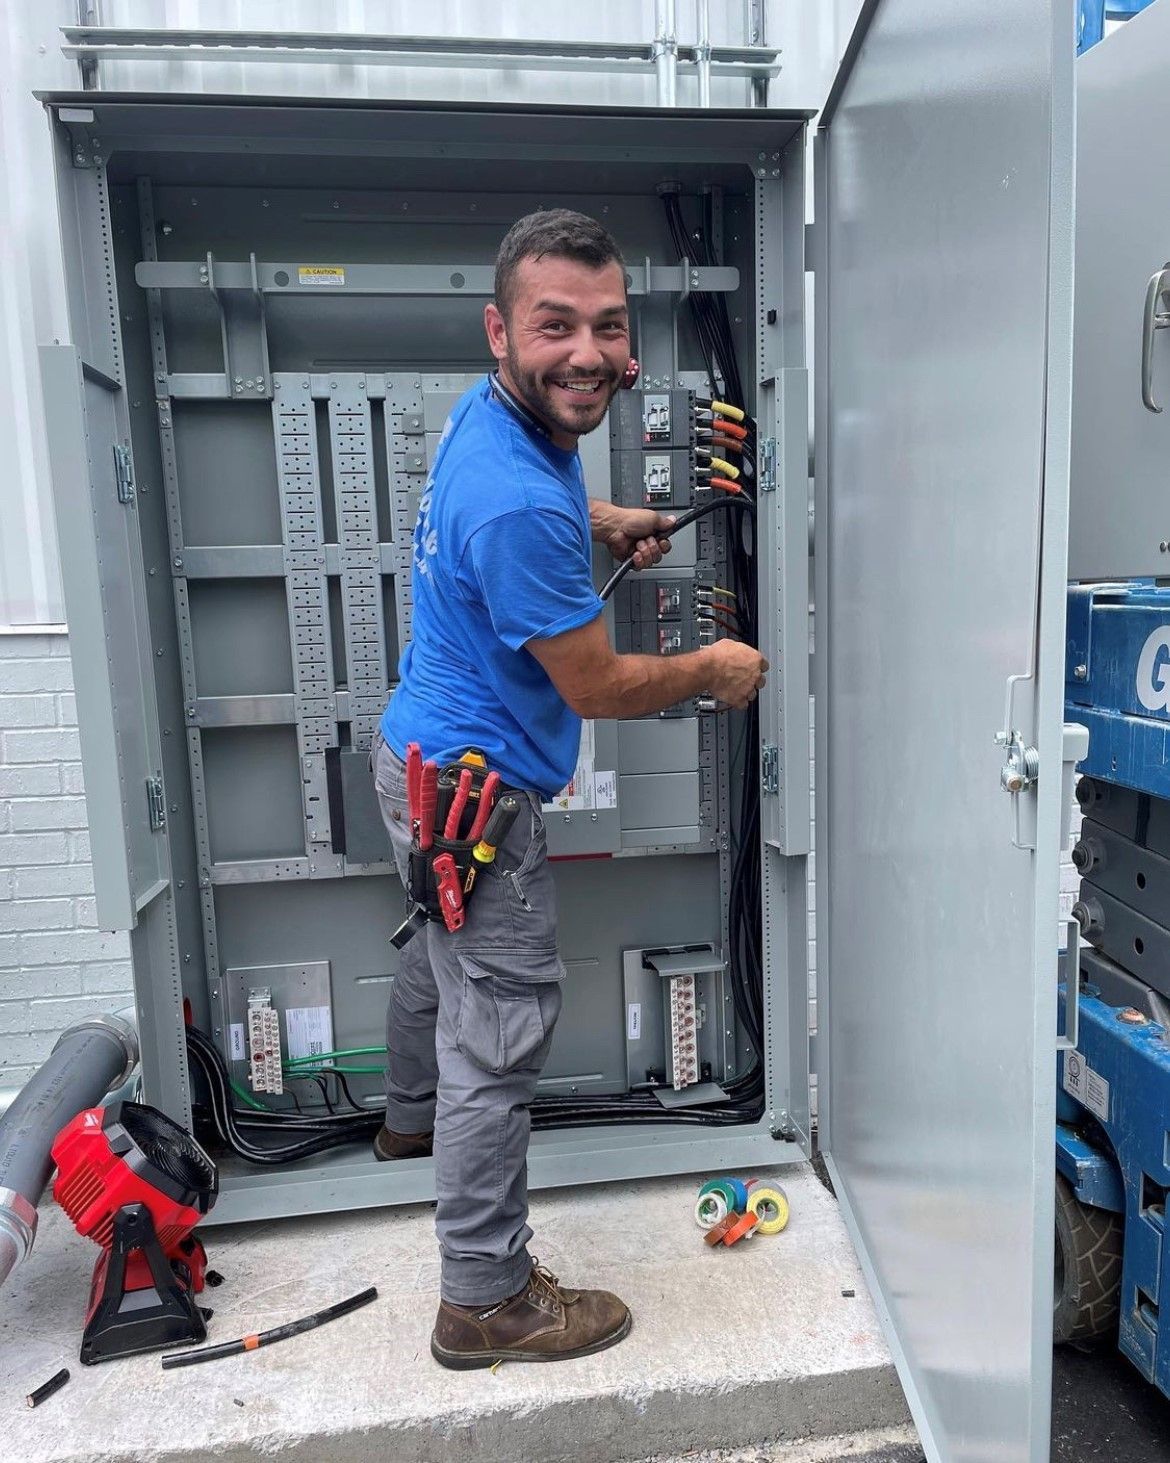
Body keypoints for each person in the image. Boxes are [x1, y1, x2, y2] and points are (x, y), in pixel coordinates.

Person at [372, 209, 768, 1370]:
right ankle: (484, 1298)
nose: (586, 353)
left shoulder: (492, 419)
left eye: (607, 326)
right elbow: (593, 683)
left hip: (422, 762)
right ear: (502, 328)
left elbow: (530, 514)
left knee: (432, 959)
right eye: (556, 326)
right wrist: (712, 669)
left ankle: (405, 1127)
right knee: (499, 1033)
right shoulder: (520, 499)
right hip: (478, 796)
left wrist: (608, 518)